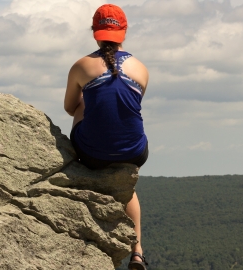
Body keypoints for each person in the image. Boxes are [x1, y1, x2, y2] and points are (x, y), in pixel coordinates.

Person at [64, 4, 149, 270]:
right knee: (129, 189)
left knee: (83, 105)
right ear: (123, 33)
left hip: (92, 153)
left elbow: (69, 108)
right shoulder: (141, 68)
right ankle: (137, 251)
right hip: (134, 150)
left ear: (95, 33)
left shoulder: (81, 65)